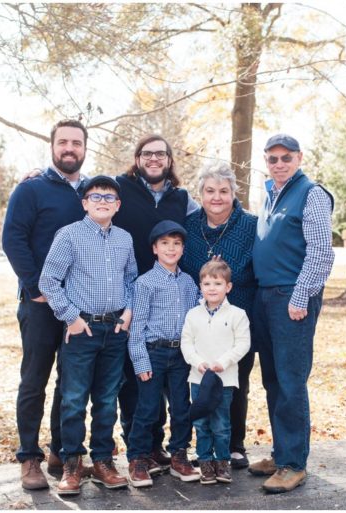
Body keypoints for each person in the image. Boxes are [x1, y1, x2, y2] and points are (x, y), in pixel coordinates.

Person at [2, 119, 90, 490]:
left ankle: (60, 449)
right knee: (35, 379)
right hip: (39, 304)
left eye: (76, 143)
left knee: (71, 382)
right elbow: (13, 240)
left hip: (79, 306)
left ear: (85, 148)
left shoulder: (92, 191)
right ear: (52, 145)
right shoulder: (31, 189)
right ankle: (29, 458)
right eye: (63, 142)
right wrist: (38, 287)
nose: (69, 148)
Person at [38, 175, 136, 495]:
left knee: (107, 401)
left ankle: (104, 461)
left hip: (115, 330)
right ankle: (72, 463)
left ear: (118, 205)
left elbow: (132, 279)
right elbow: (49, 281)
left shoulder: (124, 238)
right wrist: (72, 318)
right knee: (74, 400)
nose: (103, 202)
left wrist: (128, 312)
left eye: (109, 197)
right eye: (96, 196)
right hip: (82, 330)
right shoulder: (69, 235)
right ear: (85, 203)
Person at [249, 134, 335, 494]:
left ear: (299, 158)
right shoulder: (271, 194)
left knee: (290, 381)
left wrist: (300, 297)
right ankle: (282, 453)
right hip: (265, 297)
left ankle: (294, 464)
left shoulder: (311, 194)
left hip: (291, 299)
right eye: (273, 158)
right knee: (273, 380)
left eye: (286, 158)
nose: (279, 163)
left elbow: (321, 253)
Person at [112, 134, 199, 471]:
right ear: (137, 158)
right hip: (130, 292)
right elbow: (91, 196)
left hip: (171, 295)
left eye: (160, 154)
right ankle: (139, 450)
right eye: (146, 154)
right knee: (137, 385)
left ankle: (159, 448)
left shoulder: (181, 198)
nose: (153, 159)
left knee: (173, 396)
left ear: (169, 159)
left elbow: (212, 210)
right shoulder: (121, 187)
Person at [180, 160, 258, 469]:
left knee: (234, 383)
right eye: (210, 190)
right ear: (200, 193)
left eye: (223, 191)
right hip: (198, 320)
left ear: (233, 193)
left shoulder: (251, 225)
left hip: (237, 317)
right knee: (196, 382)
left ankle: (234, 444)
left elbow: (259, 269)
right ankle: (201, 448)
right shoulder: (189, 226)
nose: (216, 197)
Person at [126, 220, 201, 488]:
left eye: (176, 244)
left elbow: (197, 315)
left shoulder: (189, 282)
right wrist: (140, 359)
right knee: (147, 409)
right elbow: (137, 326)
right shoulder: (145, 283)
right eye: (165, 244)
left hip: (181, 355)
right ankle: (138, 458)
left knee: (182, 408)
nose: (171, 248)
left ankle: (179, 455)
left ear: (182, 249)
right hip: (153, 353)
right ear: (155, 248)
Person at [180, 259, 251, 485]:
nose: (212, 288)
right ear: (201, 286)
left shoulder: (237, 315)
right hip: (198, 378)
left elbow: (242, 344)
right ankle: (205, 462)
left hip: (224, 379)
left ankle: (222, 462)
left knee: (221, 424)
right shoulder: (193, 315)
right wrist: (198, 362)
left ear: (228, 287)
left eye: (218, 283)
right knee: (201, 423)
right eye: (207, 283)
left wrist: (223, 361)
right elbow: (186, 343)